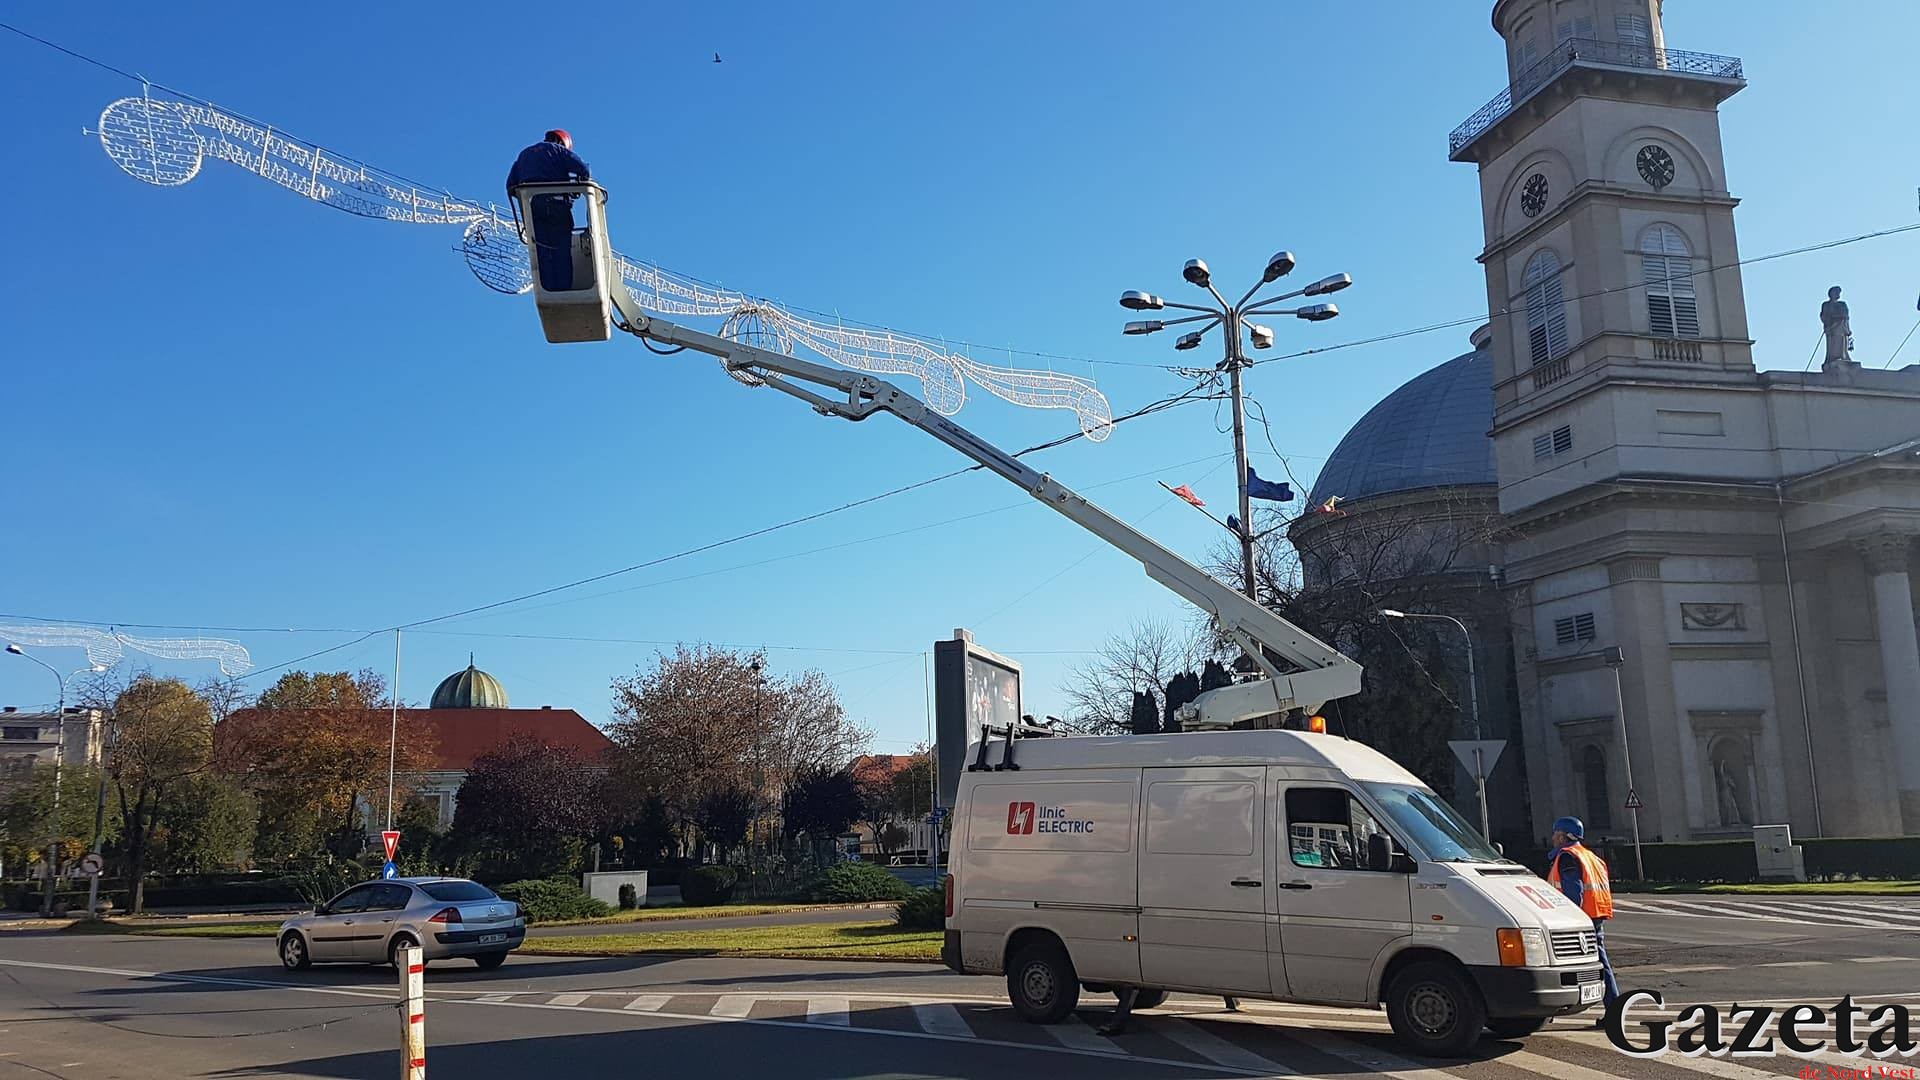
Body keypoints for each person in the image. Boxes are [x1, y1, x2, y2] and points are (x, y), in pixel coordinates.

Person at [1546, 816, 1619, 1020]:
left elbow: (1573, 892)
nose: (1552, 837)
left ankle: (1548, 1010)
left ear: (1562, 836)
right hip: (1595, 915)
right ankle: (1613, 1010)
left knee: (1560, 964)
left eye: (1555, 833)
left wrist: (1569, 919)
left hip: (1577, 919)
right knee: (1600, 963)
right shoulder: (1590, 856)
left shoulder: (1568, 857)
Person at [506, 130, 593, 290]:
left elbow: (510, 185)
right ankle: (564, 290)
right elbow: (583, 169)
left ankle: (548, 289)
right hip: (557, 208)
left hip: (534, 210)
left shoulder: (524, 155)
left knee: (543, 250)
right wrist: (578, 184)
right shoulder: (559, 151)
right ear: (563, 142)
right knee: (561, 251)